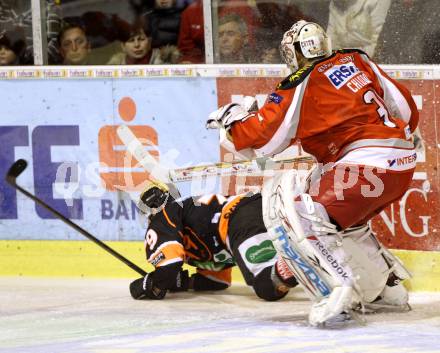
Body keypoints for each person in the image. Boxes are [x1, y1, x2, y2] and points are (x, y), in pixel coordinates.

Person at [206, 20, 418, 325]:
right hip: (400, 163)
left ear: (295, 52)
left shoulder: (301, 80)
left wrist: (232, 123)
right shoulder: (358, 59)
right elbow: (406, 109)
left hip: (365, 164)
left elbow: (268, 138)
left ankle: (338, 289)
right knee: (339, 218)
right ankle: (386, 290)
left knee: (293, 206)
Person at [129, 181, 299, 301]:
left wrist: (150, 283)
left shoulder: (163, 217)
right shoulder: (189, 218)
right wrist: (183, 282)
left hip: (240, 218)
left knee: (267, 284)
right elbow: (218, 282)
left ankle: (295, 261)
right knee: (268, 282)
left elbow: (169, 264)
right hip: (260, 210)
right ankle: (301, 255)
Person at [326, 0, 391, 58]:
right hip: (342, 61)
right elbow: (330, 41)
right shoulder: (336, 3)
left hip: (370, 61)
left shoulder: (379, 2)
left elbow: (377, 45)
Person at [107, 21, 177, 65]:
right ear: (123, 46)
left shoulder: (166, 62)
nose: (137, 45)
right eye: (131, 41)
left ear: (149, 42)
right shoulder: (115, 66)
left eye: (141, 39)